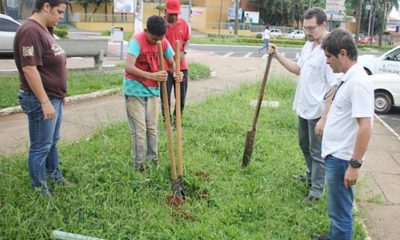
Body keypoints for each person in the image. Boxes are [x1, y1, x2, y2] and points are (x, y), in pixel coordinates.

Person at [268, 7, 338, 202]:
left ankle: (316, 190)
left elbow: (334, 86)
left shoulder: (329, 49)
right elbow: (298, 69)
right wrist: (277, 55)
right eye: (305, 27)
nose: (307, 32)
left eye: (311, 28)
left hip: (317, 111)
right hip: (303, 106)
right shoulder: (309, 45)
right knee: (304, 145)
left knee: (317, 153)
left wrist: (324, 118)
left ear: (323, 24)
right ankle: (310, 175)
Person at [315, 29, 374, 240]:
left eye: (328, 57)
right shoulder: (348, 78)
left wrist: (354, 165)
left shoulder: (358, 82)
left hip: (343, 160)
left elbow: (365, 127)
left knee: (341, 212)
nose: (327, 63)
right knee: (336, 208)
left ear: (342, 53)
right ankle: (333, 236)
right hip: (336, 155)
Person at [14, 0, 69, 197]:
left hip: (53, 97)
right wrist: (45, 101)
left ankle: (55, 177)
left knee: (52, 142)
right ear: (46, 7)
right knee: (41, 146)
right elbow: (29, 68)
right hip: (40, 99)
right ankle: (39, 190)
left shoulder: (45, 29)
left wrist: (59, 95)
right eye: (59, 12)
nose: (61, 16)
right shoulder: (30, 31)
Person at [123, 15, 180, 172]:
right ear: (146, 30)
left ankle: (153, 161)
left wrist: (176, 73)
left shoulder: (164, 42)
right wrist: (152, 76)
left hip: (153, 91)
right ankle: (139, 165)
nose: (156, 42)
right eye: (154, 39)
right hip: (134, 89)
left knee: (152, 128)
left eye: (160, 39)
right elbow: (128, 66)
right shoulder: (137, 41)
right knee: (140, 130)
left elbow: (171, 64)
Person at [160, 0, 190, 122]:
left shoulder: (183, 23)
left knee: (181, 97)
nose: (173, 17)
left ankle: (177, 120)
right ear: (166, 11)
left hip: (181, 66)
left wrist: (184, 52)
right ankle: (166, 121)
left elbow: (187, 40)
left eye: (176, 14)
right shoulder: (160, 24)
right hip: (165, 68)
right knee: (165, 97)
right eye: (171, 14)